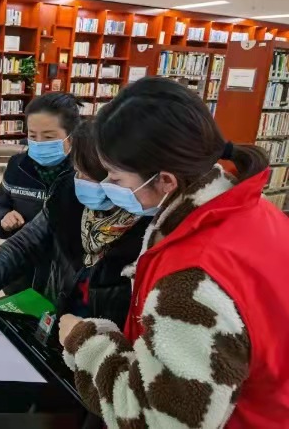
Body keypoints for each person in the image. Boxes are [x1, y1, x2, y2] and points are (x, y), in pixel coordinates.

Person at [59, 77, 289, 428]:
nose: (107, 187)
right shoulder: (253, 210)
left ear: (165, 180)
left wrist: (86, 344)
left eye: (116, 179)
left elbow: (161, 420)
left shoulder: (192, 278)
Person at [0, 117, 151, 331]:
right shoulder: (67, 193)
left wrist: (88, 341)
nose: (80, 181)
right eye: (77, 171)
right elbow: (25, 243)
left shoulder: (150, 231)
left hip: (103, 340)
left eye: (89, 175)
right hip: (56, 316)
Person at [0, 93, 77, 294]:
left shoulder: (85, 173)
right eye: (33, 136)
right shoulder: (18, 165)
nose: (39, 143)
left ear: (71, 137)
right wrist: (2, 217)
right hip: (21, 273)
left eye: (49, 137)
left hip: (65, 280)